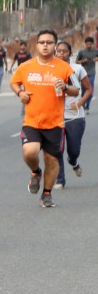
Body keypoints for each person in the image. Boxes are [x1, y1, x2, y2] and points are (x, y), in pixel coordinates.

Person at [8, 28, 77, 207]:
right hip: (32, 121)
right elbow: (14, 82)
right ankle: (36, 172)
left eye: (49, 43)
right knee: (30, 151)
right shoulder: (26, 66)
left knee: (52, 160)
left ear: (55, 46)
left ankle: (46, 194)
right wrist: (20, 93)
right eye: (42, 42)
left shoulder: (64, 67)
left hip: (55, 123)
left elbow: (76, 89)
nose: (45, 46)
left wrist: (66, 87)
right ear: (36, 45)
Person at [54, 40, 91, 188]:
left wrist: (80, 103)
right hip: (56, 116)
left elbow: (85, 89)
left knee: (73, 150)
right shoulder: (50, 70)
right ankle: (60, 179)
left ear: (70, 53)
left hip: (75, 116)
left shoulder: (76, 69)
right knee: (57, 149)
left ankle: (74, 162)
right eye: (59, 51)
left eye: (64, 51)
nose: (61, 54)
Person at [78, 36, 97, 112]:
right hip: (83, 72)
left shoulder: (96, 51)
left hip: (92, 72)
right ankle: (83, 103)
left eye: (90, 44)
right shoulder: (82, 52)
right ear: (85, 44)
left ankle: (87, 105)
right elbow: (77, 61)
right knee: (83, 89)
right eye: (87, 44)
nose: (89, 45)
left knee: (90, 89)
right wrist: (83, 61)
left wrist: (96, 59)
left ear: (92, 44)